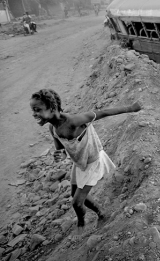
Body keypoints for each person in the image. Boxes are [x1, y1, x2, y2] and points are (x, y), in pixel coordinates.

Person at [29, 89, 143, 239]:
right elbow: (61, 150)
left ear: (51, 108)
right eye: (33, 110)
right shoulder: (53, 128)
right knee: (73, 195)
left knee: (76, 203)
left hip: (93, 162)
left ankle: (81, 222)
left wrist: (131, 108)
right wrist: (59, 155)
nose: (34, 114)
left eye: (38, 110)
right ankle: (100, 212)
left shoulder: (73, 121)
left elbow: (103, 112)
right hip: (80, 163)